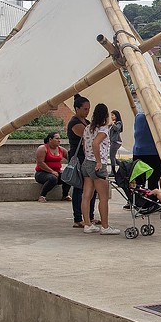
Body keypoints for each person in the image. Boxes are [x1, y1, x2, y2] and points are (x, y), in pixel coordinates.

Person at [81, 103, 120, 235]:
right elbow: (95, 143)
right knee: (103, 197)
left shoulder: (87, 128)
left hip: (87, 162)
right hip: (98, 164)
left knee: (86, 195)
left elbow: (85, 144)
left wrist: (89, 157)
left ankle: (87, 224)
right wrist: (98, 160)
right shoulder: (103, 130)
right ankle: (105, 226)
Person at [67, 95, 96, 228]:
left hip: (87, 157)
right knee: (79, 187)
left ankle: (89, 216)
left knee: (91, 188)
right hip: (78, 157)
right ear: (77, 108)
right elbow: (88, 135)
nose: (87, 111)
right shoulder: (75, 123)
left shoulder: (87, 122)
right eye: (85, 109)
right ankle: (78, 218)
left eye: (88, 109)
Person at [132, 111, 161, 191]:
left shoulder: (139, 116)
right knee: (153, 182)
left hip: (139, 152)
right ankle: (152, 201)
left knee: (139, 183)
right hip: (155, 153)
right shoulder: (159, 117)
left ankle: (140, 201)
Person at [34, 132, 69, 202]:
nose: (59, 140)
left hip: (57, 172)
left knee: (68, 176)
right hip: (42, 173)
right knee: (52, 178)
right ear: (50, 139)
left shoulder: (61, 149)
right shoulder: (42, 148)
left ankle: (65, 195)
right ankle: (42, 196)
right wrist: (52, 171)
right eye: (57, 138)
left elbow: (70, 158)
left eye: (59, 139)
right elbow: (40, 163)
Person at [108, 110, 123, 176]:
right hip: (113, 141)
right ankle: (122, 165)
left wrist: (113, 124)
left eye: (113, 115)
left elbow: (117, 129)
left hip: (116, 142)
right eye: (111, 115)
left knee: (112, 156)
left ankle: (113, 171)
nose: (111, 117)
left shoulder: (118, 123)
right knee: (113, 156)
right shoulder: (114, 123)